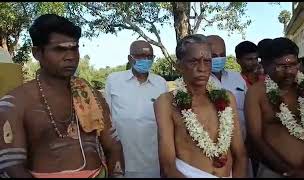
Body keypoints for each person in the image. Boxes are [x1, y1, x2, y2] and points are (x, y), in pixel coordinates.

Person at [0, 14, 125, 178]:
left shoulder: (91, 96)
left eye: (74, 48)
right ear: (37, 53)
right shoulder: (15, 103)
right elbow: (11, 166)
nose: (71, 57)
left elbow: (114, 147)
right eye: (60, 49)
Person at [154, 34, 247, 178]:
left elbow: (240, 154)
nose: (202, 68)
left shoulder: (227, 97)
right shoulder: (166, 103)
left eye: (207, 61)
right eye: (194, 61)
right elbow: (168, 165)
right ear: (179, 66)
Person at [245, 37, 304, 178]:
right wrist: (287, 172)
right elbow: (255, 137)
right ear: (267, 65)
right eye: (282, 66)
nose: (289, 71)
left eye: (293, 65)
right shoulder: (257, 93)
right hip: (274, 172)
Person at [105, 40, 168, 178]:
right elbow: (106, 120)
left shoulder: (161, 83)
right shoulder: (114, 80)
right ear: (130, 58)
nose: (145, 60)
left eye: (149, 56)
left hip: (152, 162)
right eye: (140, 56)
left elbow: (166, 124)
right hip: (122, 160)